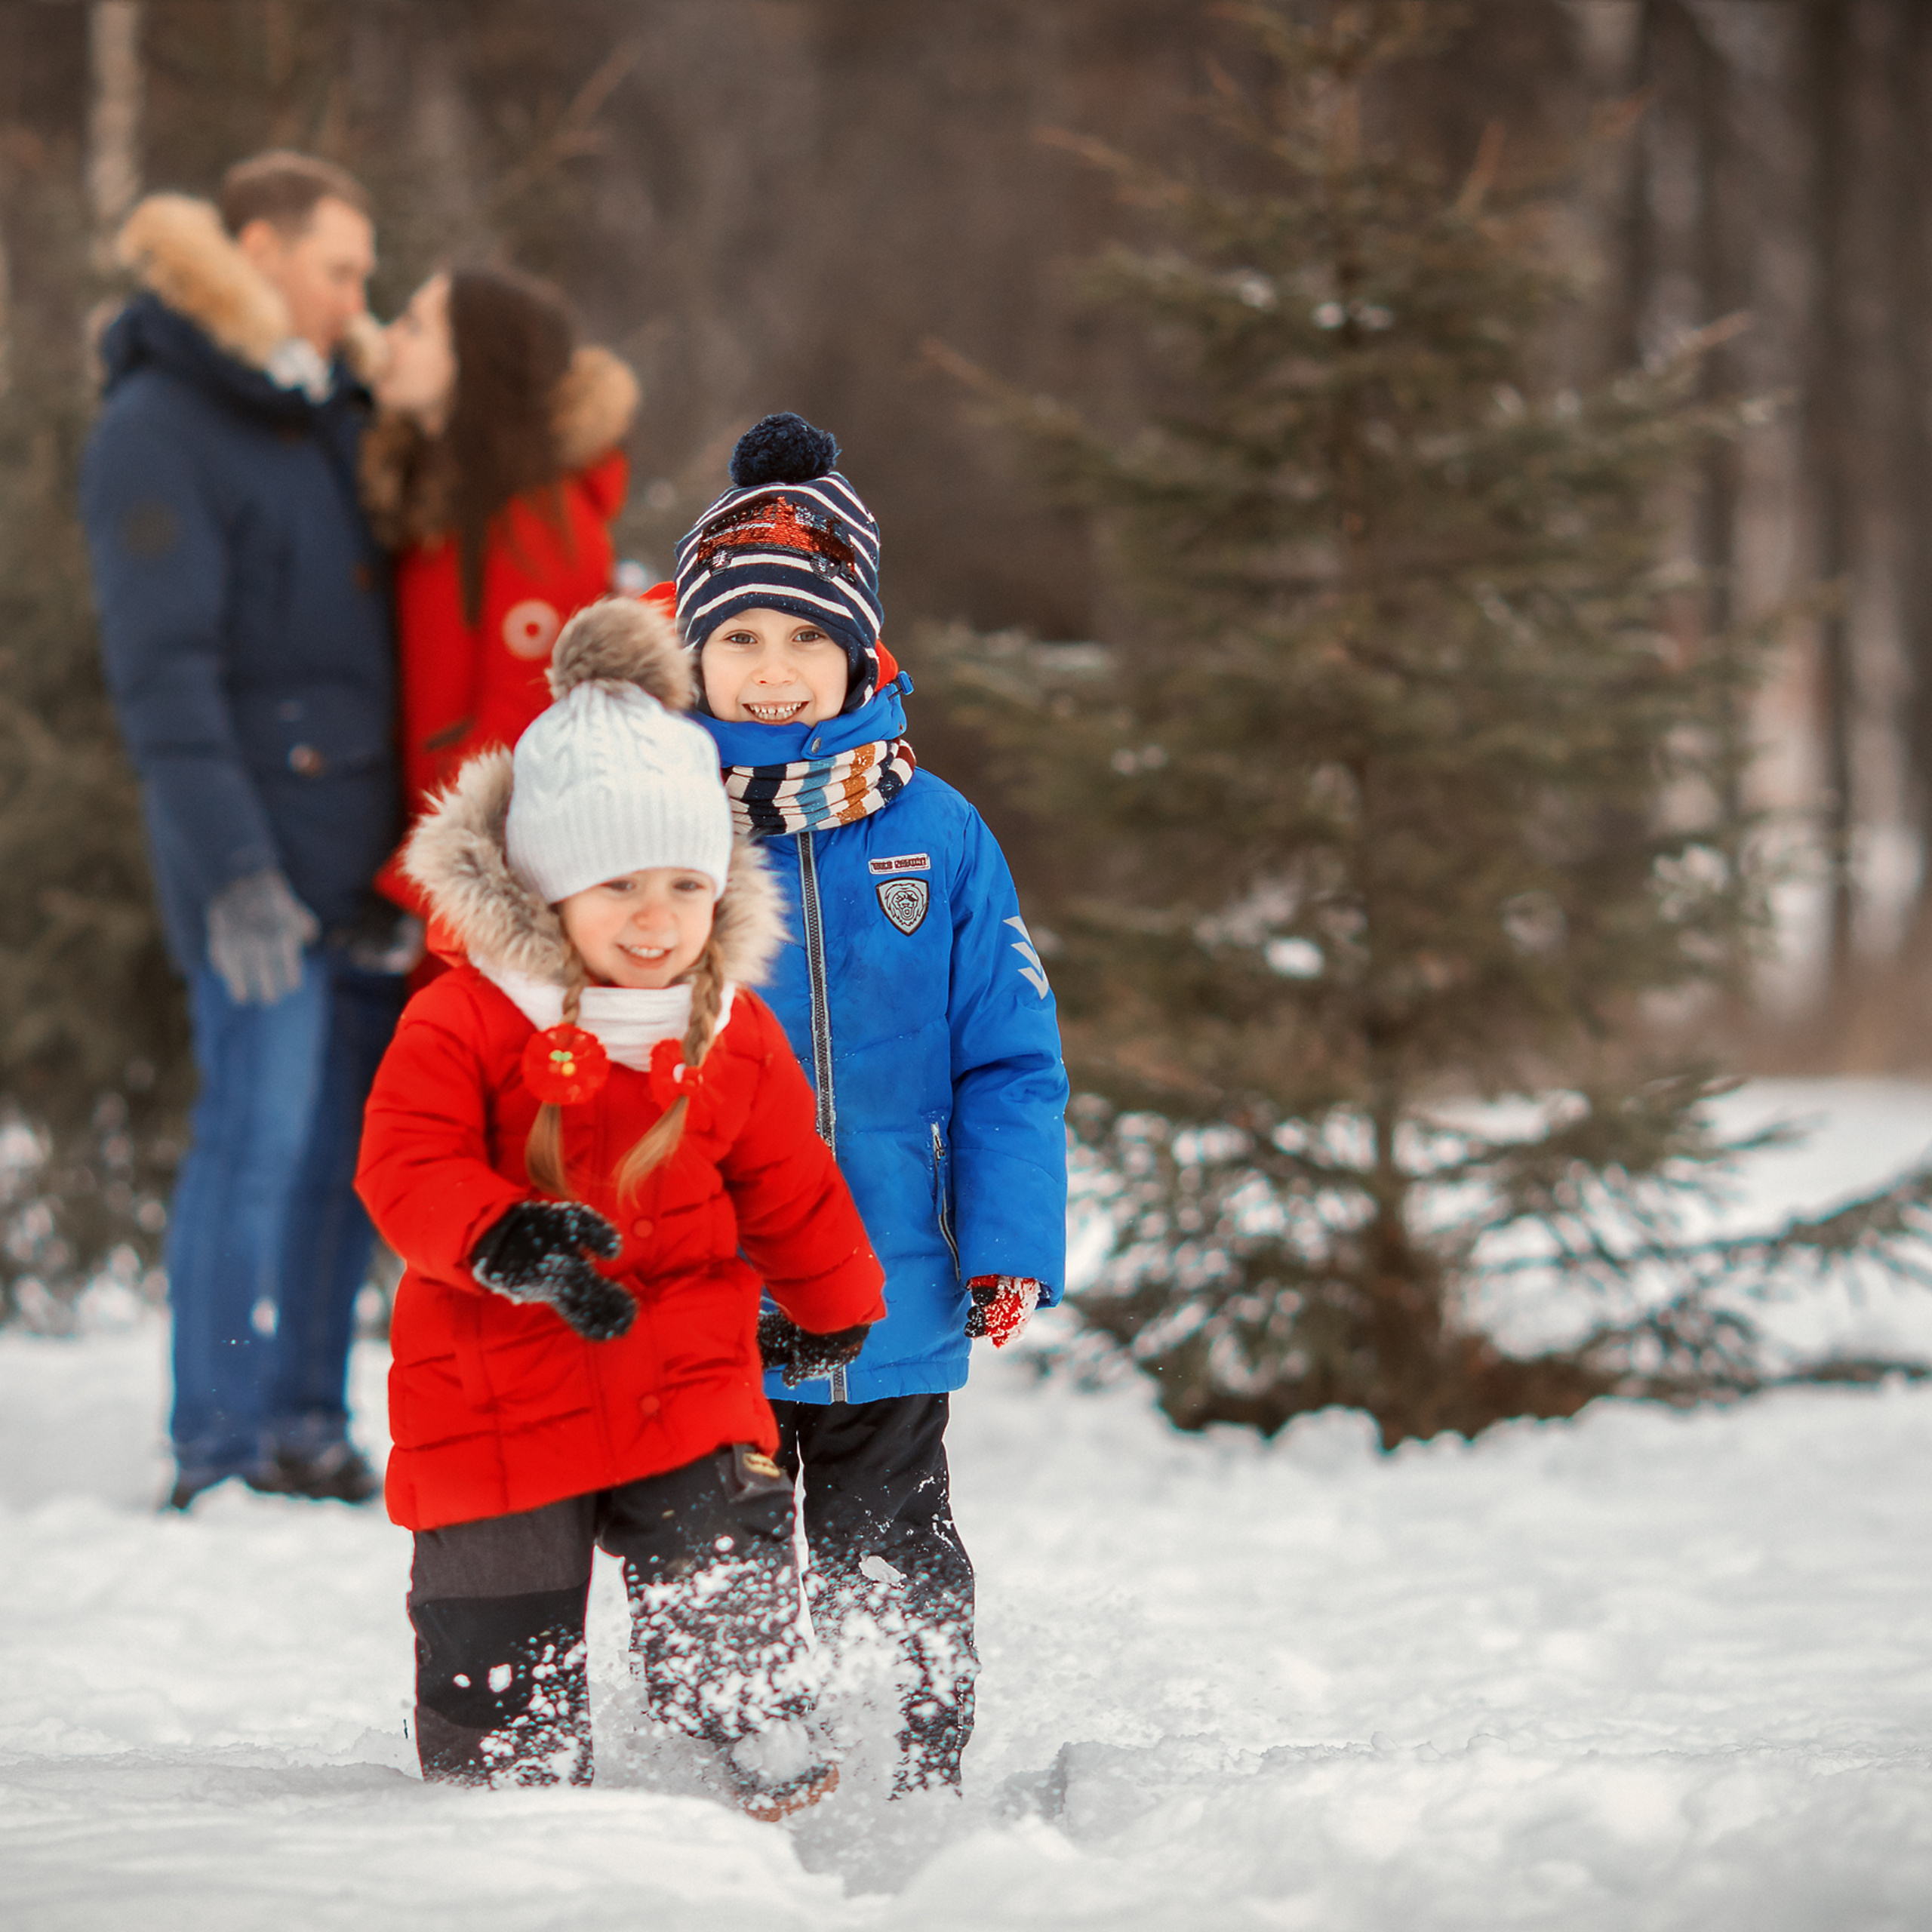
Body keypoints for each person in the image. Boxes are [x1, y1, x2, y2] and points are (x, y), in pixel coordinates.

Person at [356, 595, 886, 1813]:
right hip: (493, 1380)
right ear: (544, 891)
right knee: (498, 1636)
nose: (656, 924)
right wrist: (502, 1235)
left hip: (680, 1361)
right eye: (617, 889)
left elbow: (787, 1178)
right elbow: (405, 1161)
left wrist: (835, 1302)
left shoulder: (726, 1030)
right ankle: (503, 1799)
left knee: (724, 1539)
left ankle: (749, 1724)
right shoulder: (464, 1016)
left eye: (685, 887)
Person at [666, 413, 1069, 1795]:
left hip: (892, 1274)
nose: (771, 673)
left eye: (802, 639)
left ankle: (920, 1772)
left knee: (890, 1547)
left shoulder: (938, 833)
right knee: (711, 1550)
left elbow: (1009, 1057)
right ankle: (736, 1781)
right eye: (738, 640)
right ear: (691, 652)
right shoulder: (659, 829)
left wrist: (1010, 1235)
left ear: (859, 651)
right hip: (706, 1281)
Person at [81, 152, 411, 1510]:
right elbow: (167, 676)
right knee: (258, 1138)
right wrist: (233, 874)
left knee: (344, 1154)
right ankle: (213, 1439)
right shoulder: (160, 422)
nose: (358, 298)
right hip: (252, 863)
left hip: (360, 855)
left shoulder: (326, 410)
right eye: (340, 268)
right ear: (262, 250)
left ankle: (303, 1424)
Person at [360, 265, 639, 940]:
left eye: (416, 325)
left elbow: (522, 727)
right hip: (442, 889)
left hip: (480, 912)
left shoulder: (540, 524)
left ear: (473, 363)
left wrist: (416, 891)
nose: (390, 339)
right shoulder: (448, 502)